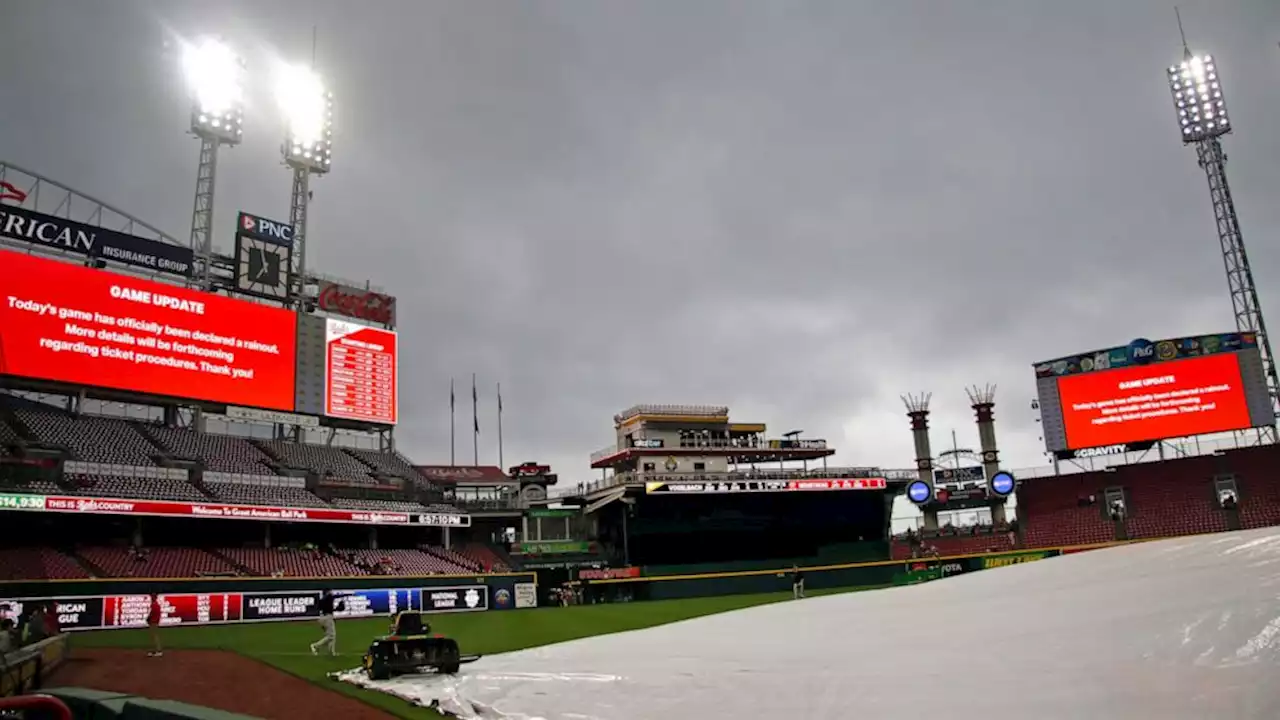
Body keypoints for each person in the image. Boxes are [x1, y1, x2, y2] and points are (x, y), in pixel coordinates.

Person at [310, 590, 337, 656]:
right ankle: (315, 646)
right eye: (330, 591)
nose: (331, 593)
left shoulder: (323, 600)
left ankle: (331, 652)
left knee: (332, 635)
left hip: (322, 618)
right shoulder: (329, 597)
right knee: (331, 636)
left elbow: (327, 608)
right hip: (327, 618)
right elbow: (333, 597)